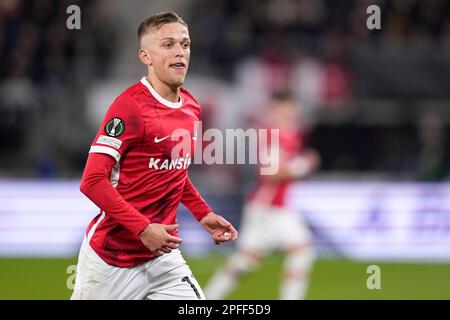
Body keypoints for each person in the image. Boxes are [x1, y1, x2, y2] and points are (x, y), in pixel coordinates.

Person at [71, 11, 237, 300]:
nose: (180, 52)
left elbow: (174, 170)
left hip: (163, 256)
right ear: (145, 56)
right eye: (168, 44)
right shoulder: (130, 107)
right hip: (112, 260)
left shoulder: (191, 107)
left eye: (185, 44)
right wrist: (143, 229)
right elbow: (92, 180)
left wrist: (203, 213)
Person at [204, 90, 319, 300]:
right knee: (249, 260)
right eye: (287, 106)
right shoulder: (271, 133)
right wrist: (303, 165)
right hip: (266, 207)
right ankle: (206, 299)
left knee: (295, 251)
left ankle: (206, 298)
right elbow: (270, 172)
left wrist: (298, 168)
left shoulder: (289, 133)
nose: (292, 110)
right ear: (277, 107)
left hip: (278, 206)